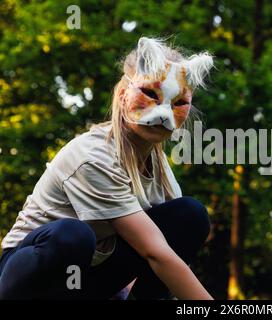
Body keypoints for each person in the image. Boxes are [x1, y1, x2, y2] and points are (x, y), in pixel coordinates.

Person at [0, 37, 215, 300]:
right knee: (73, 236)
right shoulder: (92, 157)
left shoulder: (159, 167)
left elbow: (173, 252)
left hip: (87, 279)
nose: (162, 112)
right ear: (123, 95)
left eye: (178, 103)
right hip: (28, 279)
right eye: (150, 93)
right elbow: (155, 252)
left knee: (189, 215)